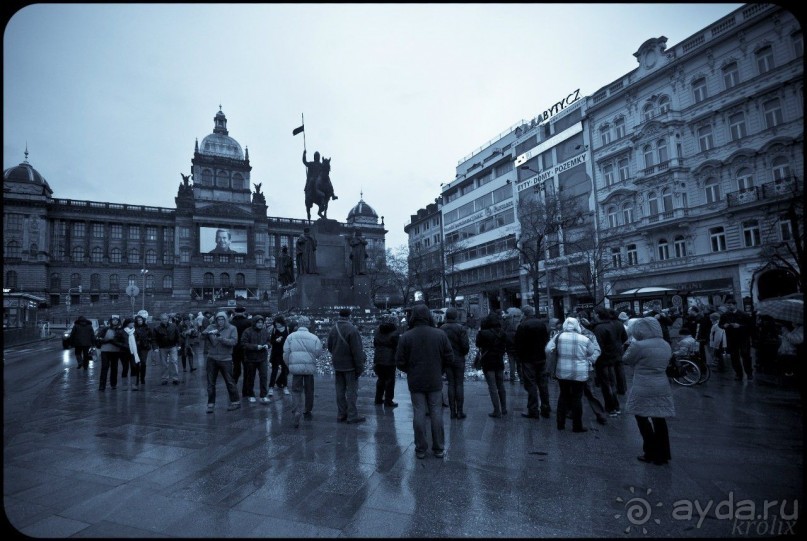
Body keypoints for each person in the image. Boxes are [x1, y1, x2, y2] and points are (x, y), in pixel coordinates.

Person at [396, 304, 454, 459]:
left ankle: (421, 448)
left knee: (419, 412)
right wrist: (439, 370)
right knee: (436, 412)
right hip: (435, 378)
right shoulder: (440, 334)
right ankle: (439, 447)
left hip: (415, 380)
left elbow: (400, 361)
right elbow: (449, 357)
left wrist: (411, 370)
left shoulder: (407, 336)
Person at [622, 317, 675, 466]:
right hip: (661, 384)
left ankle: (650, 451)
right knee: (660, 419)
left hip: (643, 384)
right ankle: (663, 454)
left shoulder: (639, 345)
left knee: (642, 417)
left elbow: (626, 359)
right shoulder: (665, 344)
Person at [546, 317, 599, 432]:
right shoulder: (584, 339)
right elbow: (591, 352)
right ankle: (577, 425)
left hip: (562, 371)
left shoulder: (558, 337)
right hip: (579, 373)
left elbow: (548, 349)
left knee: (563, 396)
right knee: (577, 398)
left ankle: (560, 424)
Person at [326, 308, 367, 424]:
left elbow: (329, 346)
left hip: (337, 364)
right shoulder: (352, 330)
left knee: (340, 390)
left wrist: (337, 354)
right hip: (350, 365)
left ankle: (341, 414)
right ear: (350, 316)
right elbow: (357, 351)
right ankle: (352, 415)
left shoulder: (333, 329)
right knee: (351, 391)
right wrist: (360, 367)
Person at [283, 315, 323, 428]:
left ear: (298, 325)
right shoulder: (314, 337)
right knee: (309, 390)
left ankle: (296, 411)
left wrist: (289, 364)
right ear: (308, 325)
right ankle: (307, 409)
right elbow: (318, 353)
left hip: (295, 368)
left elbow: (286, 352)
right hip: (309, 368)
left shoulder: (291, 337)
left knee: (296, 390)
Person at [514, 305, 551, 419]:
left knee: (531, 385)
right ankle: (546, 408)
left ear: (524, 314)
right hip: (541, 357)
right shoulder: (542, 324)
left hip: (528, 359)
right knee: (543, 384)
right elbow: (546, 340)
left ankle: (533, 409)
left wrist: (519, 358)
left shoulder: (522, 326)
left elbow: (519, 344)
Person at [202, 311, 241, 412]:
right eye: (218, 319)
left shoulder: (232, 328)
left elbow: (234, 341)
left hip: (226, 358)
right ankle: (210, 404)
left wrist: (221, 339)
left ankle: (235, 402)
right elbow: (201, 337)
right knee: (211, 382)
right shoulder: (211, 327)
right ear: (216, 320)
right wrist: (204, 334)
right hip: (212, 357)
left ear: (226, 319)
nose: (220, 321)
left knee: (230, 381)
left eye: (222, 319)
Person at [591, 307, 623, 417]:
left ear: (598, 315)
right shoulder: (612, 324)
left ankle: (611, 407)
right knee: (612, 383)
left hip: (603, 359)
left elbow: (598, 346)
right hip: (612, 358)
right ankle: (616, 406)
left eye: (594, 314)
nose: (593, 316)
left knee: (606, 384)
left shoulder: (599, 328)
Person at [476, 312, 508, 418]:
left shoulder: (483, 333)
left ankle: (496, 410)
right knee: (501, 385)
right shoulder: (502, 333)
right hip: (499, 360)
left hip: (488, 361)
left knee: (492, 387)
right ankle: (504, 408)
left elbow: (478, 344)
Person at [440, 307, 470, 419]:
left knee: (451, 384)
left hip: (447, 360)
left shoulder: (442, 328)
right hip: (459, 359)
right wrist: (462, 353)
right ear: (456, 316)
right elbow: (465, 346)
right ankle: (460, 411)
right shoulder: (460, 328)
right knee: (459, 384)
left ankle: (452, 412)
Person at [719, 298, 754, 381]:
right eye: (727, 305)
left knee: (745, 355)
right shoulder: (724, 315)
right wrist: (724, 326)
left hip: (743, 338)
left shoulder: (744, 314)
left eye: (730, 305)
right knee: (734, 357)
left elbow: (751, 326)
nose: (728, 306)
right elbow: (720, 324)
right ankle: (738, 374)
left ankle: (749, 373)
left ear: (735, 305)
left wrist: (740, 326)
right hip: (731, 338)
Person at [240, 314, 271, 404]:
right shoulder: (247, 331)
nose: (260, 324)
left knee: (264, 377)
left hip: (262, 358)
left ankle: (263, 395)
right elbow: (243, 343)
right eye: (258, 322)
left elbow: (269, 341)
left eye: (261, 322)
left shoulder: (265, 331)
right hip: (250, 358)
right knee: (251, 377)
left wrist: (267, 345)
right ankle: (251, 394)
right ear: (254, 323)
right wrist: (255, 347)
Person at [373, 314, 401, 408]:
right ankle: (388, 401)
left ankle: (378, 399)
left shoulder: (378, 330)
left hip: (378, 357)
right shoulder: (395, 332)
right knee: (390, 380)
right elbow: (397, 346)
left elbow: (375, 343)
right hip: (389, 359)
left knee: (380, 379)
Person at [96, 315, 127, 391]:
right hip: (105, 351)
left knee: (114, 368)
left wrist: (114, 342)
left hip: (115, 351)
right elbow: (97, 338)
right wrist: (105, 340)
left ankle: (113, 384)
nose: (115, 321)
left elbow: (123, 341)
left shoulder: (121, 330)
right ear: (111, 321)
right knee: (104, 368)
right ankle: (102, 385)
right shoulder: (105, 329)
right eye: (113, 320)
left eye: (116, 320)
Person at [154, 313, 181, 385]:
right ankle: (164, 378)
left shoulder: (174, 326)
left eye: (165, 319)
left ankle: (175, 378)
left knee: (174, 362)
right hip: (163, 347)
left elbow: (178, 335)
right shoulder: (156, 328)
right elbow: (154, 339)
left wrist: (179, 344)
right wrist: (155, 347)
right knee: (164, 364)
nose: (164, 320)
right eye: (163, 319)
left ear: (168, 319)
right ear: (160, 320)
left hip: (173, 346)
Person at [268, 315, 291, 397]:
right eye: (276, 323)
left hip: (284, 352)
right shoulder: (273, 329)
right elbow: (271, 341)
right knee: (274, 370)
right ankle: (271, 387)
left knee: (284, 370)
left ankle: (285, 386)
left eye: (278, 323)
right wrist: (276, 340)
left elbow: (289, 340)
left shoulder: (287, 329)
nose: (277, 324)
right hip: (275, 353)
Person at [230, 307, 252, 386]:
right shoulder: (248, 322)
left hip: (234, 348)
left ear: (235, 312)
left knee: (236, 369)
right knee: (247, 369)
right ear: (244, 312)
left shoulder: (231, 322)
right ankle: (245, 390)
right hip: (246, 348)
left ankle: (233, 387)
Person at [502, 307, 523, 384]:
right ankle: (521, 378)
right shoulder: (518, 330)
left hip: (510, 350)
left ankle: (512, 378)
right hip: (518, 349)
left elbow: (505, 341)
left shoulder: (506, 331)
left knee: (512, 364)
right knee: (519, 364)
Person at [133, 312, 153, 387]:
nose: (140, 321)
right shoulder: (133, 328)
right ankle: (137, 379)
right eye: (138, 320)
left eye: (141, 320)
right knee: (136, 363)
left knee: (143, 363)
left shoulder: (147, 328)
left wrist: (148, 341)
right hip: (136, 347)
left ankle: (142, 378)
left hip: (144, 347)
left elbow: (151, 336)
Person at [121, 318, 141, 391]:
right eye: (132, 322)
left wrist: (138, 343)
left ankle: (134, 384)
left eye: (133, 322)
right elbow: (116, 340)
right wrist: (123, 345)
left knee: (134, 367)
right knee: (125, 368)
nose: (133, 324)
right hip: (124, 352)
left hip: (134, 352)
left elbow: (139, 339)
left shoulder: (136, 331)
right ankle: (124, 384)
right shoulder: (122, 331)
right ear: (127, 323)